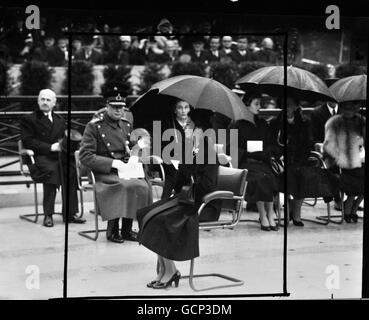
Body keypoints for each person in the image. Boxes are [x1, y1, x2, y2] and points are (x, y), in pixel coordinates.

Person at [137, 117, 221, 289]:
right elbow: (179, 183)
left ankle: (169, 272)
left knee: (162, 220)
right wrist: (181, 167)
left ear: (202, 131)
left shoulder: (209, 153)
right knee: (146, 214)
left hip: (202, 203)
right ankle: (168, 270)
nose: (186, 128)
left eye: (190, 126)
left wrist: (190, 178)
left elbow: (207, 185)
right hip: (185, 199)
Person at [79, 92, 152, 243]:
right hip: (105, 170)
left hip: (125, 168)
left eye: (121, 108)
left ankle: (126, 229)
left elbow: (132, 146)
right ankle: (112, 230)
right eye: (114, 107)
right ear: (107, 107)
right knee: (123, 185)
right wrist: (113, 163)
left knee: (142, 185)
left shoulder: (126, 125)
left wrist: (134, 153)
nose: (118, 111)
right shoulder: (94, 126)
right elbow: (85, 155)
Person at [269, 97, 338, 226]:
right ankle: (290, 206)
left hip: (301, 159)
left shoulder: (305, 122)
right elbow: (272, 144)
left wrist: (310, 149)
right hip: (283, 161)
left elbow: (309, 142)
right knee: (290, 177)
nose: (287, 108)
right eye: (285, 105)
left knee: (306, 176)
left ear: (296, 107)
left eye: (290, 105)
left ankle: (296, 211)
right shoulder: (275, 123)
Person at [20, 89, 85, 227]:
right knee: (52, 171)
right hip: (40, 156)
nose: (45, 102)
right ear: (38, 101)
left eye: (48, 100)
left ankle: (70, 213)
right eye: (42, 99)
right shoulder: (29, 119)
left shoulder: (59, 120)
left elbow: (64, 139)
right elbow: (27, 141)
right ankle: (48, 214)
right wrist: (50, 147)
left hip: (59, 156)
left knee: (72, 170)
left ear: (54, 103)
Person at [228, 90, 279, 231]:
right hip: (246, 163)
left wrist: (264, 152)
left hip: (262, 161)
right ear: (246, 105)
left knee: (269, 176)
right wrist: (246, 153)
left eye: (260, 104)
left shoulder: (263, 124)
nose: (259, 107)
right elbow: (231, 148)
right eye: (256, 104)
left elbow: (271, 144)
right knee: (261, 179)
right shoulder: (236, 124)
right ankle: (263, 215)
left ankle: (270, 214)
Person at [323, 101, 365, 223]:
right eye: (346, 108)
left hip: (360, 158)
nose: (348, 111)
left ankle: (353, 209)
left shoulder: (362, 121)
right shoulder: (334, 122)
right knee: (354, 184)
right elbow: (328, 145)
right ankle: (348, 211)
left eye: (351, 108)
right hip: (339, 161)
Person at [310, 101, 342, 211]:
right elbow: (313, 137)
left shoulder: (345, 111)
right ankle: (337, 197)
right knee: (333, 164)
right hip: (325, 151)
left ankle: (352, 197)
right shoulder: (317, 113)